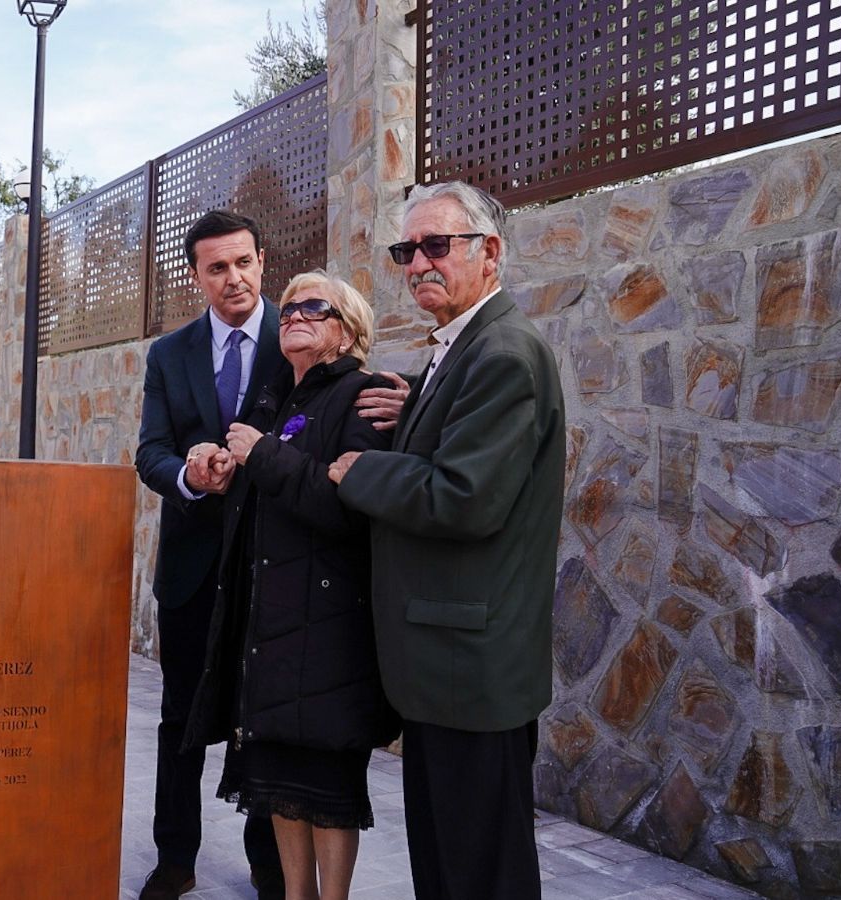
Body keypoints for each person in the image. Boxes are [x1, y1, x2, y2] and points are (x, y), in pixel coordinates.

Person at [327, 181, 565, 900]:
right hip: (446, 669)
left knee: (478, 873)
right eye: (407, 250)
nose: (418, 263)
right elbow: (453, 454)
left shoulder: (501, 353)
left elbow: (463, 498)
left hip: (471, 671)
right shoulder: (461, 348)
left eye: (437, 245)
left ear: (489, 252)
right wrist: (412, 419)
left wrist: (361, 470)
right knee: (448, 864)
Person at [183, 271, 399, 900]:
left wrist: (263, 458)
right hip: (270, 627)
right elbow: (261, 500)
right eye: (292, 306)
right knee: (277, 786)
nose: (296, 314)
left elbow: (345, 508)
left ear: (347, 330)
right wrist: (219, 464)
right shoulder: (277, 399)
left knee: (328, 791)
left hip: (331, 633)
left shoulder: (364, 396)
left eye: (315, 307)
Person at [135, 210, 287, 900]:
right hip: (192, 571)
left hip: (273, 563)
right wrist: (189, 475)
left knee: (268, 716)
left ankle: (269, 859)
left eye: (244, 262)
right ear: (195, 275)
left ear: (263, 261)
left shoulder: (300, 335)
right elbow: (150, 454)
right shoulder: (170, 354)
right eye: (218, 267)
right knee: (181, 721)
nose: (235, 278)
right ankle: (176, 858)